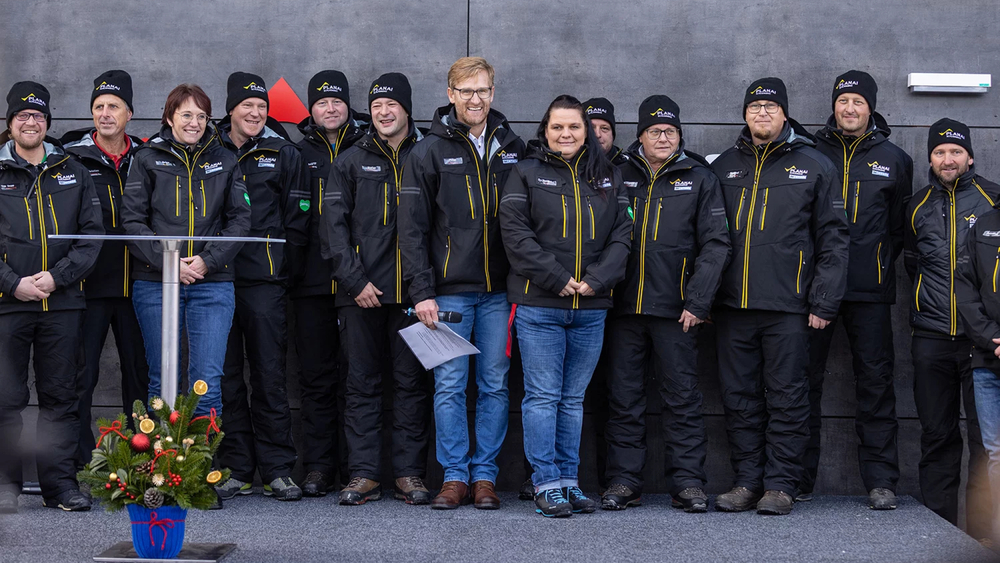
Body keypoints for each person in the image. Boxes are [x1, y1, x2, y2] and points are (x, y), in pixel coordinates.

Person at [710, 77, 848, 515]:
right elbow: (707, 238)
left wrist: (824, 301)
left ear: (785, 113)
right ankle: (748, 481)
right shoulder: (724, 165)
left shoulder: (815, 163)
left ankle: (781, 485)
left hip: (790, 307)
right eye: (755, 107)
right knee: (739, 398)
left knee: (788, 398)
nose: (763, 113)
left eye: (771, 106)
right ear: (745, 114)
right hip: (732, 307)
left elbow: (834, 239)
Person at [399, 57, 524, 510]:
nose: (477, 99)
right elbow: (410, 230)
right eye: (467, 91)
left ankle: (484, 477)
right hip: (448, 292)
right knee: (450, 386)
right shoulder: (428, 151)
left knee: (494, 384)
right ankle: (454, 476)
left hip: (499, 294)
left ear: (494, 92)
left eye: (484, 90)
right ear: (451, 94)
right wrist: (422, 292)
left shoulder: (514, 146)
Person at [499, 94, 631, 518]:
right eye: (557, 127)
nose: (566, 134)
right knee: (542, 396)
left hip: (591, 306)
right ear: (546, 131)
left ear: (587, 131)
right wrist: (558, 279)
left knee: (572, 399)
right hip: (539, 304)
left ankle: (569, 482)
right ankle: (546, 483)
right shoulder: (525, 173)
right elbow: (516, 236)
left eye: (574, 126)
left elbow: (622, 237)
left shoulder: (609, 176)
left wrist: (596, 281)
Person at [602, 95, 730, 512]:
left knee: (683, 400)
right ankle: (623, 482)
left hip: (678, 311)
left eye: (671, 131)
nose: (663, 137)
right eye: (655, 130)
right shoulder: (617, 171)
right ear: (639, 134)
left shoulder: (698, 175)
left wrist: (698, 301)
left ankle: (689, 484)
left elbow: (716, 244)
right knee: (623, 400)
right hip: (621, 310)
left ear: (680, 135)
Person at [802, 70, 912, 509]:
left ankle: (882, 481)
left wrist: (879, 263)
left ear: (871, 107)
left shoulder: (895, 158)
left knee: (876, 384)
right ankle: (797, 478)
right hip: (813, 291)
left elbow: (899, 228)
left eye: (858, 102)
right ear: (834, 104)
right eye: (843, 101)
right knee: (801, 385)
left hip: (870, 289)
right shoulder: (809, 151)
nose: (850, 109)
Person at [324, 73, 432, 506]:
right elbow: (331, 230)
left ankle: (409, 474)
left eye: (392, 104)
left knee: (411, 385)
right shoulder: (350, 160)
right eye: (377, 106)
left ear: (407, 108)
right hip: (360, 295)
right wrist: (354, 282)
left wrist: (423, 287)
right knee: (361, 384)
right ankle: (364, 474)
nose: (384, 112)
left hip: (412, 296)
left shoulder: (427, 155)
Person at [0, 81, 104, 513]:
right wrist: (12, 283)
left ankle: (59, 487)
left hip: (61, 303)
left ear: (48, 123)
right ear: (9, 123)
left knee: (62, 397)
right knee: (4, 399)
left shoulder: (73, 170)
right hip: (7, 304)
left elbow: (91, 236)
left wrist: (56, 278)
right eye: (23, 115)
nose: (31, 122)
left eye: (38, 116)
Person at [122, 84, 251, 421]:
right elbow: (132, 220)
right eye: (187, 114)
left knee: (206, 382)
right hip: (155, 283)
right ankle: (160, 469)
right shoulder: (146, 157)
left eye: (202, 116)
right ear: (169, 117)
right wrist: (169, 263)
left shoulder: (225, 158)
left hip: (213, 283)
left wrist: (208, 261)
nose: (195, 122)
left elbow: (240, 219)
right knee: (162, 379)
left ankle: (200, 470)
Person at [213, 72, 309, 503]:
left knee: (270, 375)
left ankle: (277, 469)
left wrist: (283, 269)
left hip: (264, 281)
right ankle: (235, 467)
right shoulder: (208, 147)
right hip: (214, 279)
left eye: (261, 107)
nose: (254, 113)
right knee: (226, 377)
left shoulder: (282, 150)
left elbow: (298, 219)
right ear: (230, 108)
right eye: (246, 106)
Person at [905, 118, 995, 539]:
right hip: (931, 339)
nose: (948, 159)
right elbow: (910, 263)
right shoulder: (916, 204)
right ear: (930, 158)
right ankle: (941, 531)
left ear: (970, 155)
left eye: (955, 151)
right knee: (937, 437)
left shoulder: (993, 200)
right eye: (940, 152)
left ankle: (980, 536)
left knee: (984, 443)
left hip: (982, 346)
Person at [61, 70, 149, 467]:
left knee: (140, 380)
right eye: (98, 107)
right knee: (82, 379)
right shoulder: (71, 155)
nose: (105, 113)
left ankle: (142, 465)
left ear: (129, 113)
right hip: (88, 286)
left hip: (140, 284)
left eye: (113, 106)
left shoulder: (148, 154)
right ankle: (81, 463)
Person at [291, 70, 369, 497]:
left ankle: (360, 468)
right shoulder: (297, 153)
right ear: (311, 109)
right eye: (321, 102)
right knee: (317, 379)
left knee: (361, 378)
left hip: (362, 283)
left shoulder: (367, 146)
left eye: (337, 100)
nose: (330, 108)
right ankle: (320, 466)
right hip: (313, 284)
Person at [956, 175, 1000, 548]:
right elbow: (965, 287)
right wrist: (990, 337)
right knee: (996, 455)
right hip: (988, 361)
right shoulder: (985, 225)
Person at [584, 97, 626, 164]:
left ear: (612, 134)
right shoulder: (566, 168)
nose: (597, 135)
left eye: (604, 128)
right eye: (591, 128)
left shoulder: (627, 168)